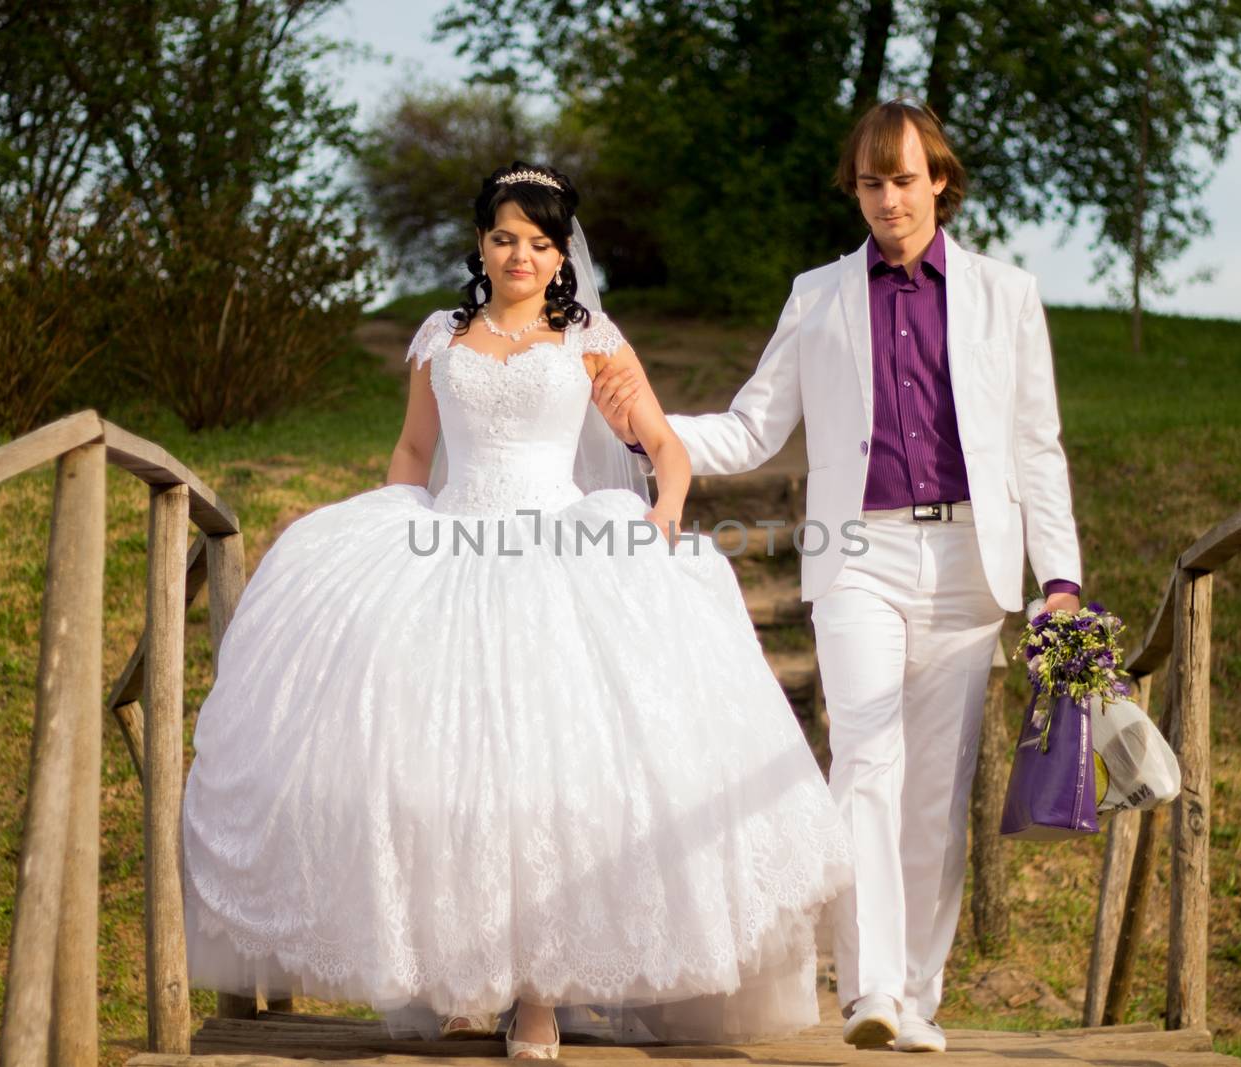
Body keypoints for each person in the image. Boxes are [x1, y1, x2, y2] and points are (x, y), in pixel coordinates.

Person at [180, 161, 852, 1060]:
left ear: (561, 252)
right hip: (449, 550)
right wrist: (391, 533)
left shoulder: (590, 338)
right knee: (438, 773)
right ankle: (461, 976)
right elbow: (415, 450)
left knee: (548, 781)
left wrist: (662, 514)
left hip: (558, 551)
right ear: (482, 244)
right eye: (504, 238)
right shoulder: (439, 337)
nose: (520, 255)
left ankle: (538, 995)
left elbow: (662, 445)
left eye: (539, 242)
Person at [592, 102, 1084, 1053]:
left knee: (936, 792)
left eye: (904, 179)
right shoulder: (818, 295)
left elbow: (1035, 445)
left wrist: (1059, 576)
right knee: (864, 758)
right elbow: (752, 428)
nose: (888, 199)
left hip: (972, 559)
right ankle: (869, 990)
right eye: (870, 183)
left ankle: (921, 997)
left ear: (938, 178)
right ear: (854, 190)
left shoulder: (1004, 295)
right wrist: (648, 427)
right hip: (858, 552)